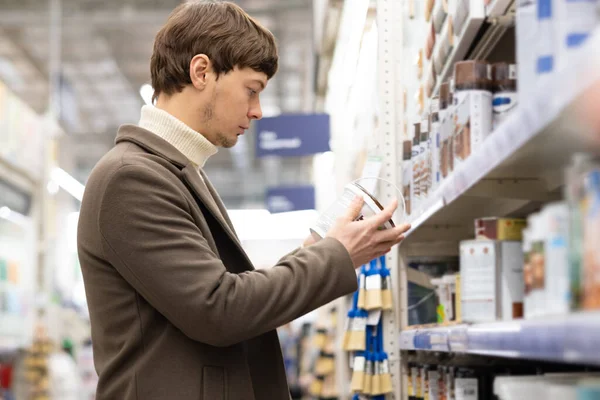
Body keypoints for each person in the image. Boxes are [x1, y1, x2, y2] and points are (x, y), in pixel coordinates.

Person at [76, 1, 410, 399]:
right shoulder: (130, 179)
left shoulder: (178, 173)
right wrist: (337, 256)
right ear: (201, 71)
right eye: (251, 91)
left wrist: (315, 249)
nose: (257, 111)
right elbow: (218, 309)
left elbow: (224, 292)